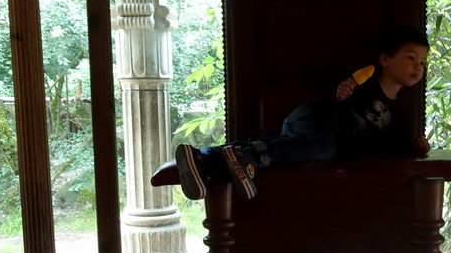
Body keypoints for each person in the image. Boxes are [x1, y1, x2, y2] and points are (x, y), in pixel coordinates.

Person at [175, 24, 432, 200]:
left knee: (307, 147)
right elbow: (333, 95)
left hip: (320, 140)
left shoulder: (401, 110)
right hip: (317, 115)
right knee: (321, 147)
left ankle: (205, 158)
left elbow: (397, 147)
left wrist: (417, 147)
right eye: (410, 58)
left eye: (422, 62)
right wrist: (340, 92)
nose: (417, 67)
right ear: (385, 59)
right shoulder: (365, 80)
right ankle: (248, 157)